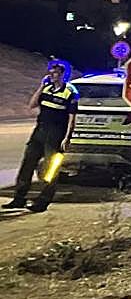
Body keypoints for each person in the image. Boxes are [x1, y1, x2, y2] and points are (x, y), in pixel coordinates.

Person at [5, 60, 79, 212]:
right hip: (40, 130)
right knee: (28, 163)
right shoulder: (46, 89)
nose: (52, 75)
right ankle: (19, 198)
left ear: (63, 75)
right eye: (51, 72)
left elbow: (72, 119)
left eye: (56, 72)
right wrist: (41, 86)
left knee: (51, 168)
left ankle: (43, 201)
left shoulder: (70, 92)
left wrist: (67, 138)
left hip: (56, 133)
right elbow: (32, 105)